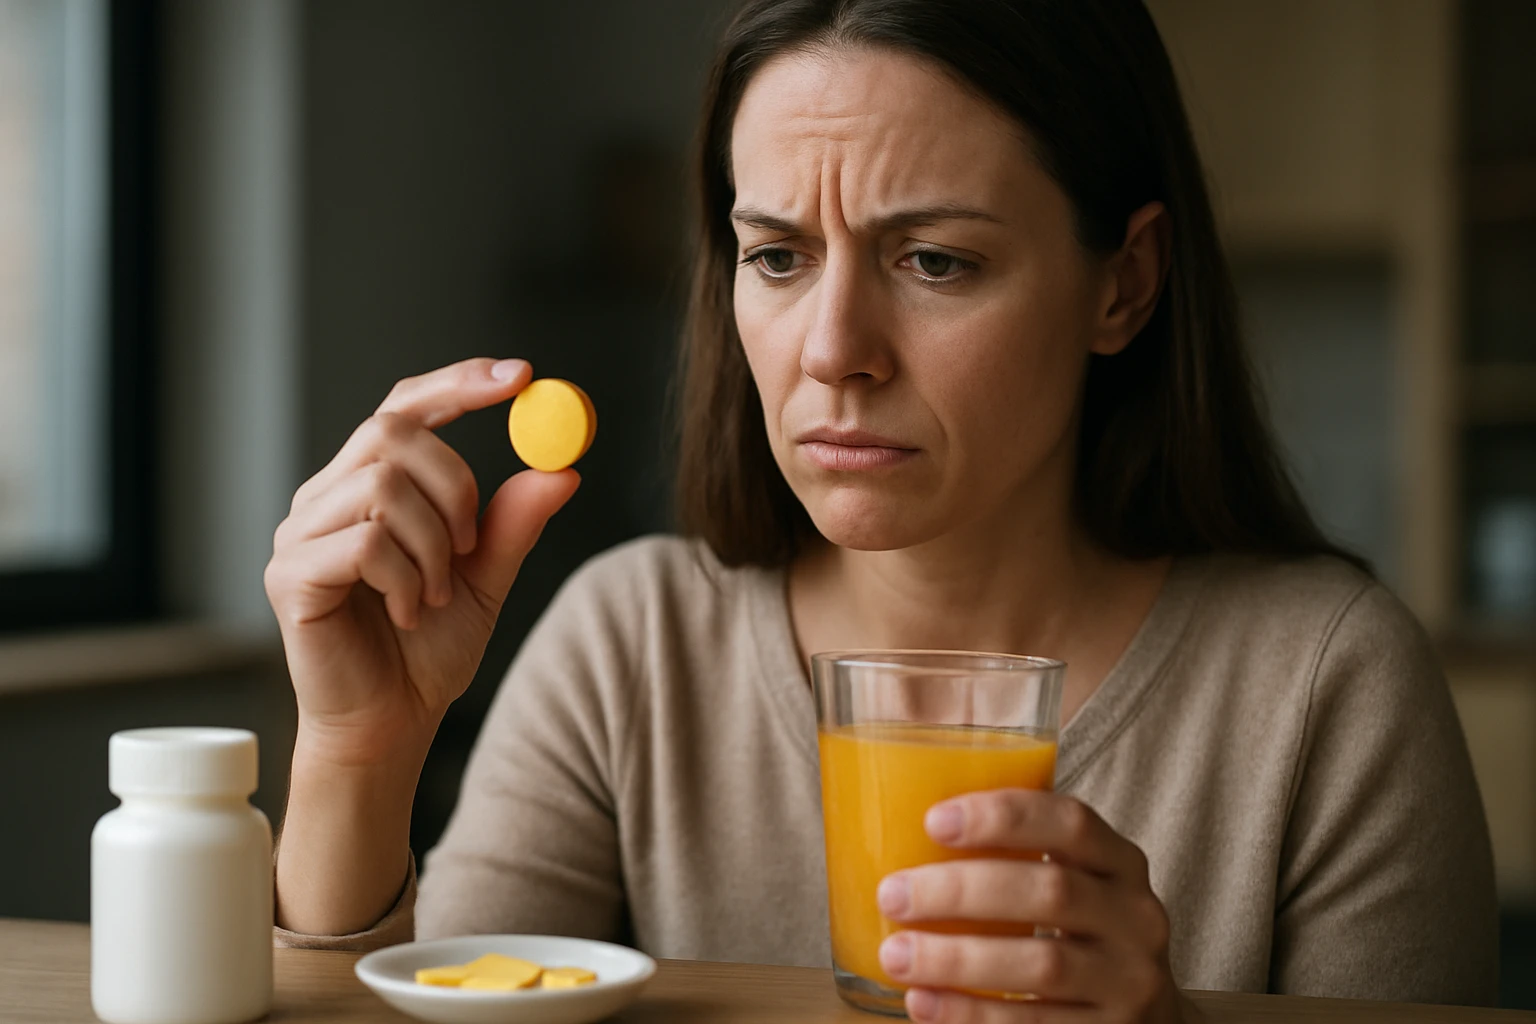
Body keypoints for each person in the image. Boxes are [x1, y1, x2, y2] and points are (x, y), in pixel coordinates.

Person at [263, 0, 1499, 1019]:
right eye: (778, 257)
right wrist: (358, 753)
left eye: (935, 260)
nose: (832, 350)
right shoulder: (630, 646)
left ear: (1123, 284)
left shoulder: (1327, 687)